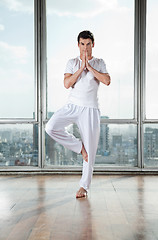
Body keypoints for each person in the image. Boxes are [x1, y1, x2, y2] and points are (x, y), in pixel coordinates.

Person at [45, 30, 111, 198]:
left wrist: (90, 67)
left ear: (93, 45)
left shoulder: (100, 62)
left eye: (88, 44)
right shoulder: (72, 62)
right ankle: (78, 147)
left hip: (90, 110)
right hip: (72, 106)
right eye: (82, 44)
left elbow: (107, 80)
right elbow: (67, 83)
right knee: (51, 127)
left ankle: (84, 187)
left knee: (91, 152)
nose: (85, 48)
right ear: (78, 45)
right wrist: (82, 68)